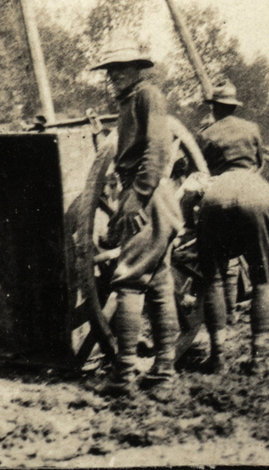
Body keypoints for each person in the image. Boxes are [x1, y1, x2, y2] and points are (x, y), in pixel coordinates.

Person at [89, 43, 183, 397]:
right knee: (158, 286)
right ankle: (163, 374)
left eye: (120, 69)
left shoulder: (148, 96)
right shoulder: (130, 101)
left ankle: (124, 375)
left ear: (137, 69)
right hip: (146, 197)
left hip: (148, 197)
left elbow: (158, 148)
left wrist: (137, 196)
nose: (112, 76)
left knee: (128, 281)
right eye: (109, 71)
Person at [192, 81, 269, 376]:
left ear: (214, 108)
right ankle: (260, 359)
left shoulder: (205, 134)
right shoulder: (252, 129)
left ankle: (217, 358)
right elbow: (257, 164)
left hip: (217, 194)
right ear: (235, 106)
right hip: (253, 192)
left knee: (214, 280)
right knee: (261, 282)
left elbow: (199, 169)